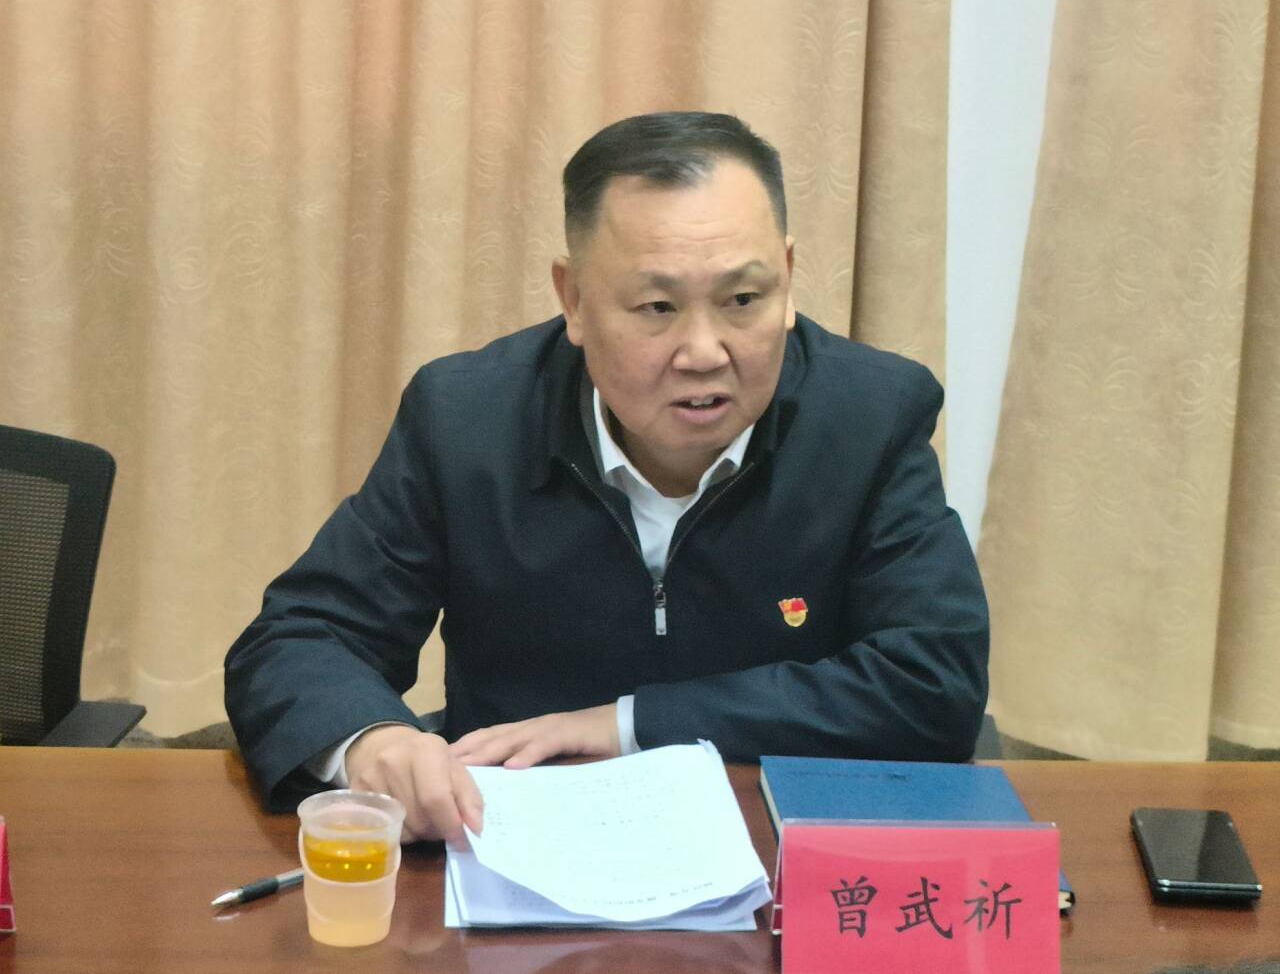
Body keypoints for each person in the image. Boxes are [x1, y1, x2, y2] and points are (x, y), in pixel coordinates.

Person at [224, 111, 989, 845]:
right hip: (508, 848)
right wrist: (373, 742)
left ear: (787, 279)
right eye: (657, 306)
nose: (704, 351)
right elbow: (302, 637)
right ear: (575, 300)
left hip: (776, 859)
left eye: (743, 299)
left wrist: (627, 724)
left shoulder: (869, 417)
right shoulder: (468, 419)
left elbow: (933, 682)